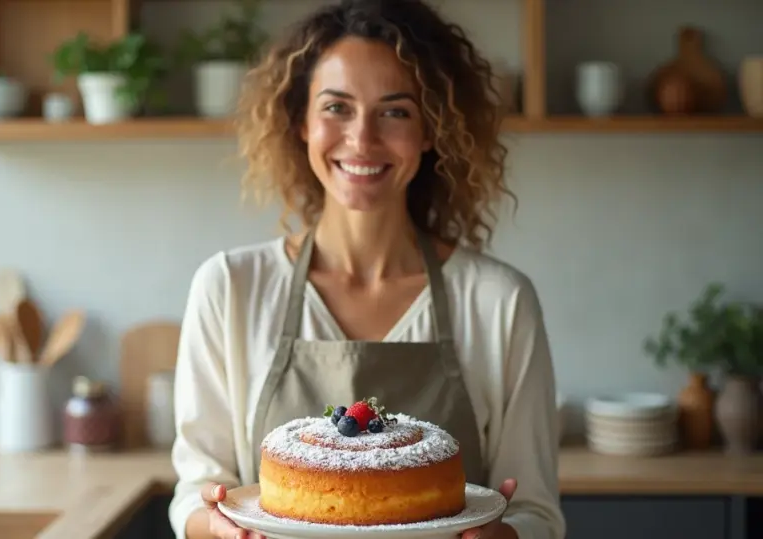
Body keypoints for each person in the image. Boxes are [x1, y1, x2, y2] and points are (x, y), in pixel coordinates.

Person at [167, 0, 565, 538]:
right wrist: (214, 529)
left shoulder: (499, 300)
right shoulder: (230, 288)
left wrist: (509, 535)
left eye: (395, 111)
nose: (362, 139)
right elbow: (195, 491)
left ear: (431, 130)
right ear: (301, 122)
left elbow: (538, 512)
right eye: (336, 107)